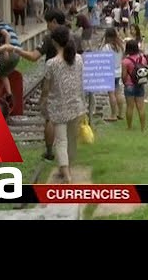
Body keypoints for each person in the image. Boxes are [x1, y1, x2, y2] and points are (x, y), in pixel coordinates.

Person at [4, 9, 66, 161]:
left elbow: (33, 57)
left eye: (48, 23)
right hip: (70, 77)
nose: (47, 26)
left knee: (50, 118)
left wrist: (15, 49)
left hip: (53, 78)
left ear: (54, 22)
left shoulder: (49, 38)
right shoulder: (71, 35)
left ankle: (50, 151)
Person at [39, 26, 86, 183]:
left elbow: (46, 87)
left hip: (58, 106)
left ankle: (66, 174)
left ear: (54, 42)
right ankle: (67, 169)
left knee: (60, 141)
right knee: (71, 140)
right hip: (77, 105)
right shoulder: (78, 59)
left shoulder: (52, 63)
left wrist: (43, 101)